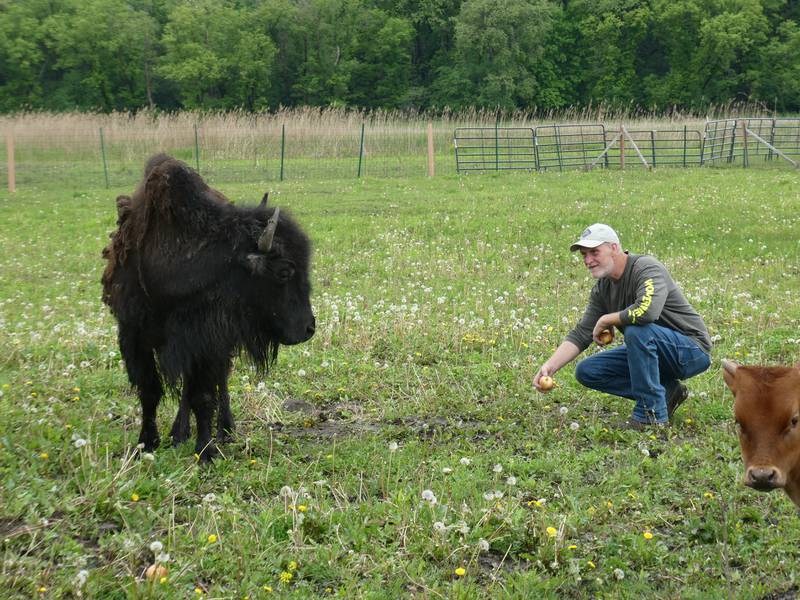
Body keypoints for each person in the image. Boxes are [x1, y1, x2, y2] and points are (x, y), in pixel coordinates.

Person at [533, 223, 712, 429]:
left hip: (691, 351)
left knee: (638, 330)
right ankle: (665, 391)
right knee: (588, 371)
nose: (588, 260)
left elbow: (648, 312)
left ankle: (651, 414)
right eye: (584, 255)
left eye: (594, 252)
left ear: (614, 248)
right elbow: (582, 333)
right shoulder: (603, 288)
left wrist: (608, 319)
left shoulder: (646, 268)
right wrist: (549, 367)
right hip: (653, 349)